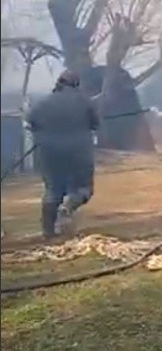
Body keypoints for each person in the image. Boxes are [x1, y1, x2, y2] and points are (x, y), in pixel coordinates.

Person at [25, 70, 99, 239]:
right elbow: (95, 124)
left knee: (53, 189)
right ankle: (69, 204)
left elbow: (29, 123)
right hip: (79, 151)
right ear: (75, 84)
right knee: (83, 187)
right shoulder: (84, 102)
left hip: (49, 152)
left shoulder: (42, 103)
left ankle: (48, 230)